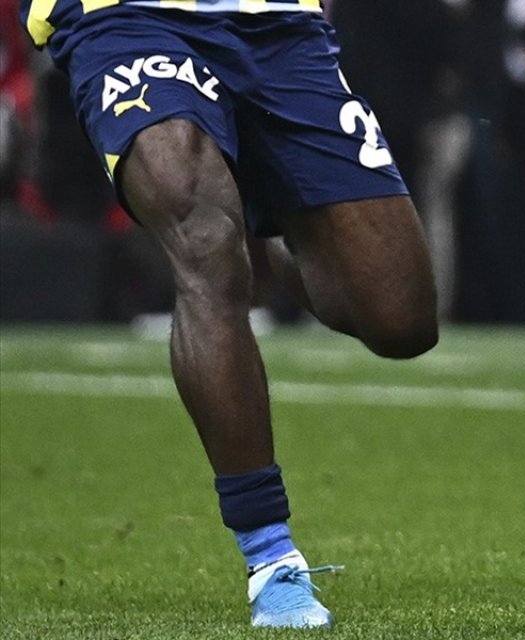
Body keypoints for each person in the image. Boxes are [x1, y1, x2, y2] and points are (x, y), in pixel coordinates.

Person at [20, 0, 439, 627]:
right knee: (207, 245)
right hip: (128, 17)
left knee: (400, 320)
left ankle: (275, 218)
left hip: (278, 22)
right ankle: (271, 556)